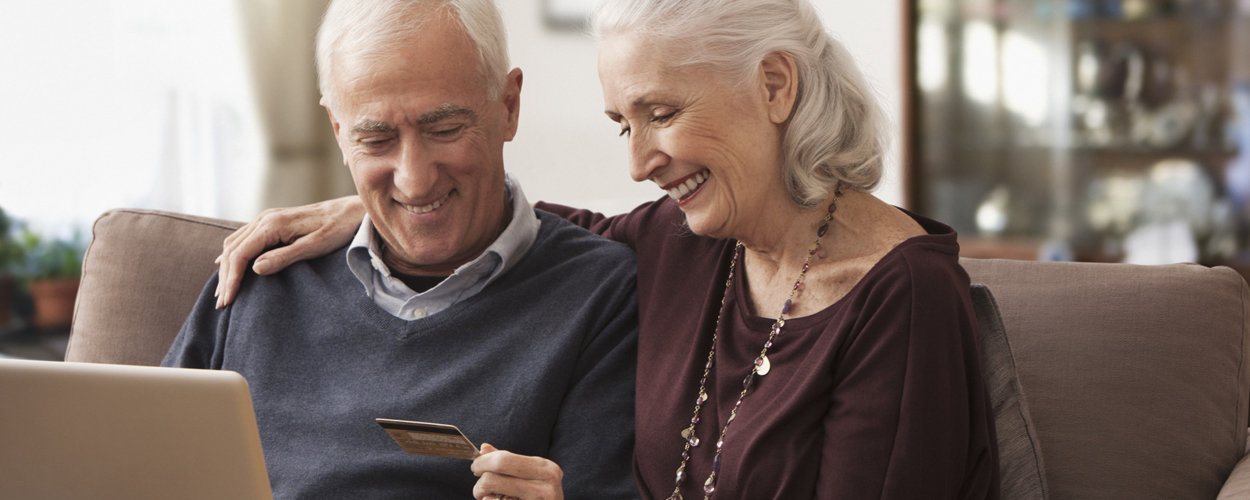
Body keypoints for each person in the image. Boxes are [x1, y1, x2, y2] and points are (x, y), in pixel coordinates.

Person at [215, 0, 1002, 498]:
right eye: (624, 125)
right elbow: (525, 226)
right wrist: (384, 195)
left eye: (660, 112)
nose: (639, 163)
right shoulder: (687, 242)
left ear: (774, 86)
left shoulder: (901, 300)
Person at [162, 1, 640, 499]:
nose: (413, 181)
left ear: (508, 106)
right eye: (376, 139)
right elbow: (133, 466)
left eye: (444, 130)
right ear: (338, 132)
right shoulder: (260, 273)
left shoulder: (602, 295)